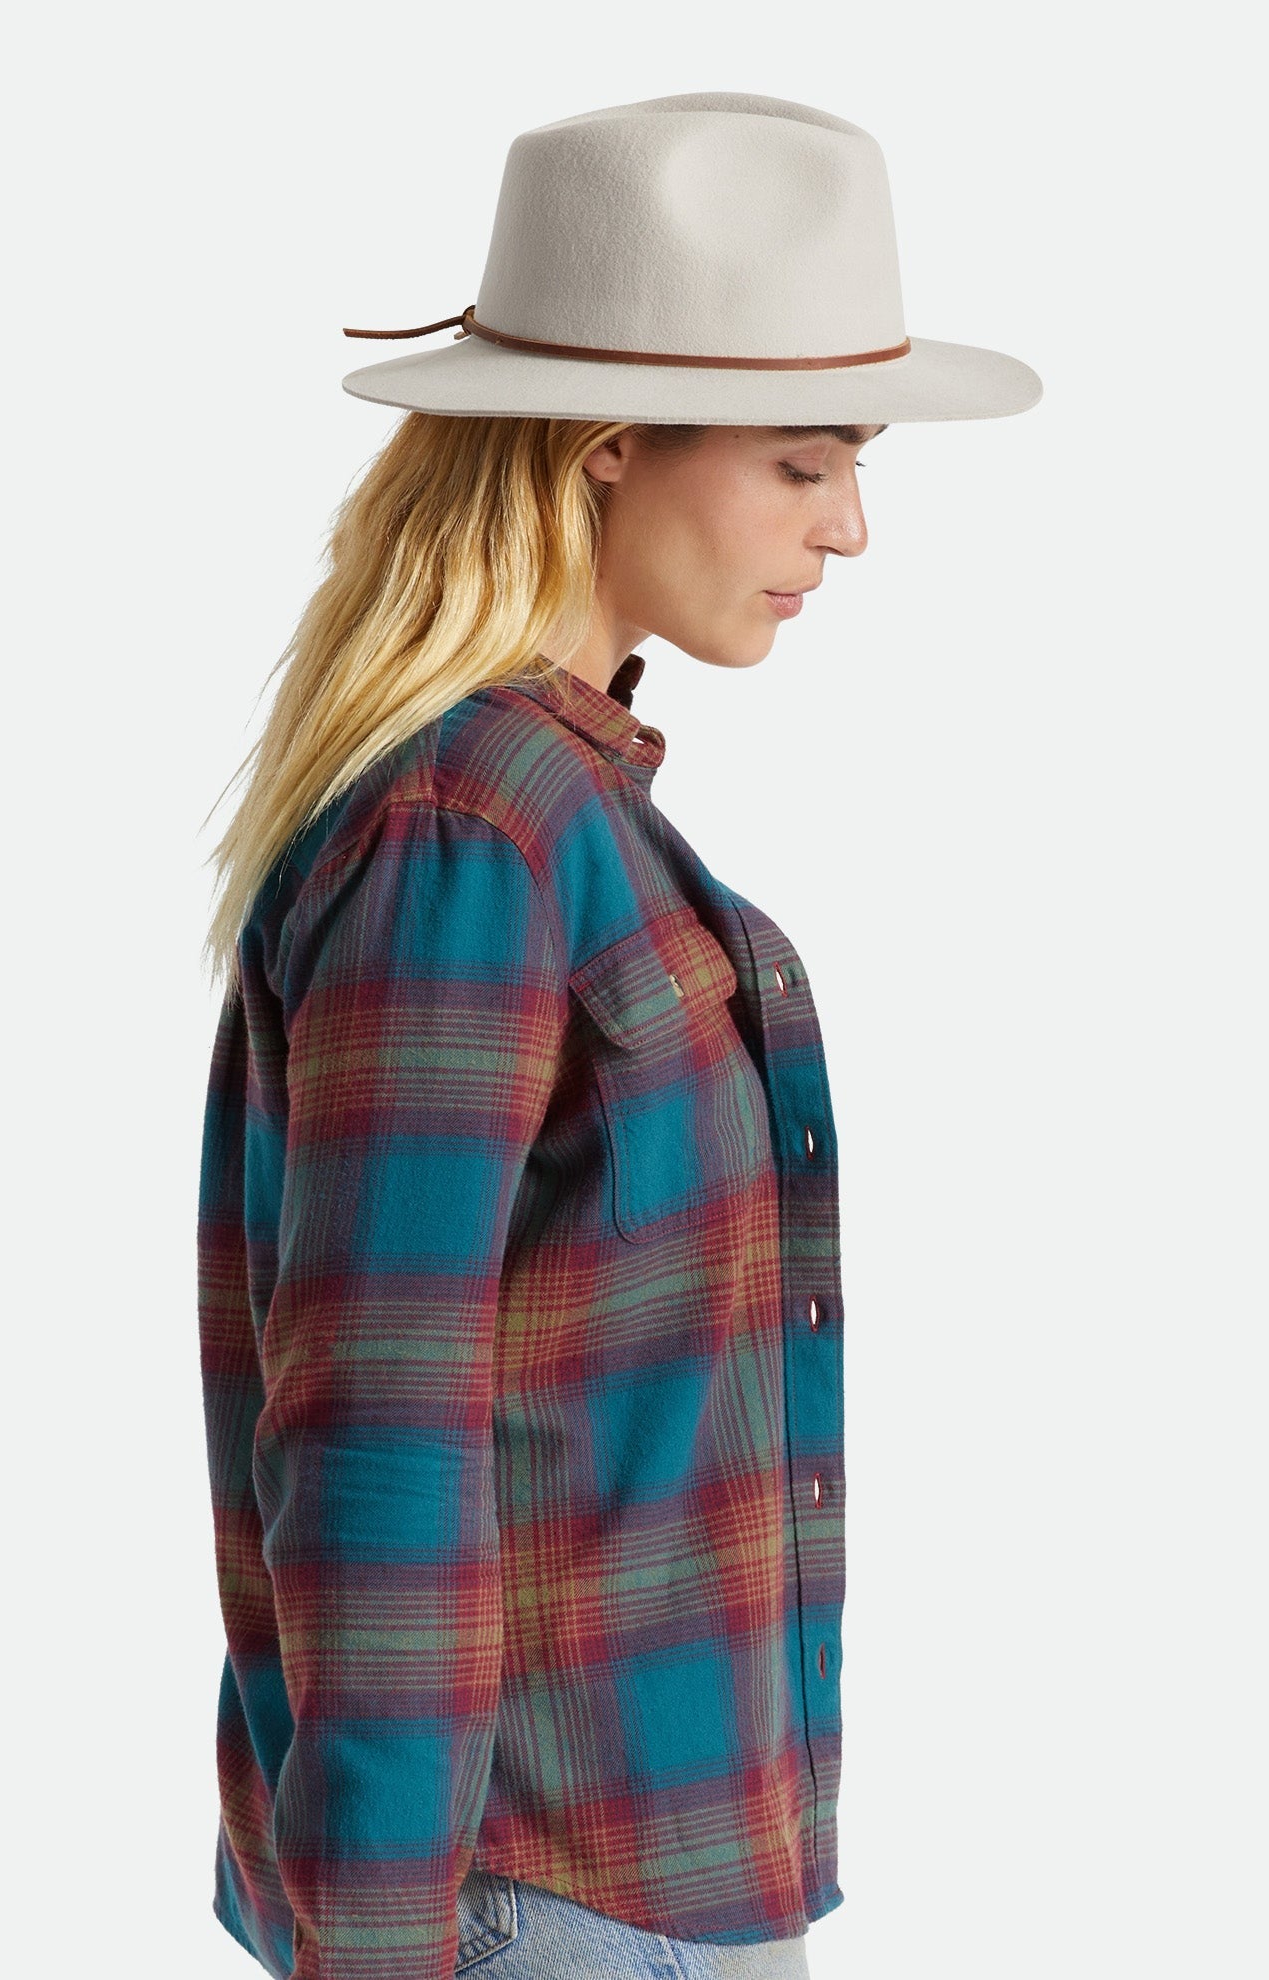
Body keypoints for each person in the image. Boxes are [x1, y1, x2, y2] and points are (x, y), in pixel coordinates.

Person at [196, 90, 1041, 1980]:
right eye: (802, 464)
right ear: (602, 450)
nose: (849, 527)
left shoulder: (553, 815)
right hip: (534, 1903)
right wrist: (383, 1947)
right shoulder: (472, 835)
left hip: (644, 1877)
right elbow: (379, 1429)